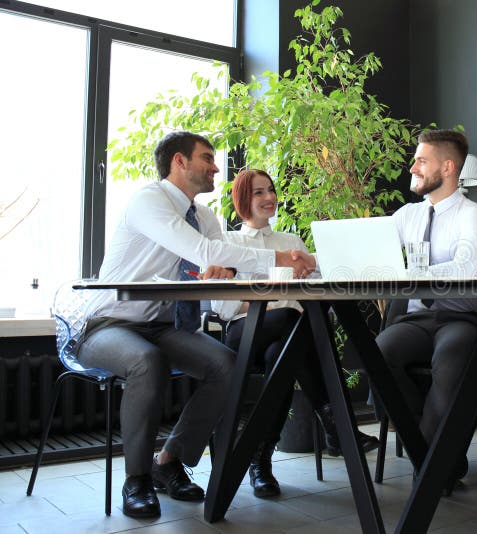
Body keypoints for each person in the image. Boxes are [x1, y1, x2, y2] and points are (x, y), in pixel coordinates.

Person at [76, 132, 316, 518]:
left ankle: (168, 460)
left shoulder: (203, 217)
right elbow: (203, 251)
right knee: (146, 362)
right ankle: (136, 480)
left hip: (162, 325)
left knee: (226, 365)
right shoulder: (147, 201)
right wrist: (282, 257)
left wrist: (217, 272)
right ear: (179, 162)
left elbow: (215, 264)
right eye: (207, 158)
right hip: (109, 323)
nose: (216, 167)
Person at [211, 169, 379, 499]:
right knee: (291, 318)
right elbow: (224, 308)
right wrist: (273, 307)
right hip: (244, 335)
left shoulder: (291, 243)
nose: (269, 197)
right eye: (258, 192)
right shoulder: (229, 243)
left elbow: (326, 277)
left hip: (285, 338)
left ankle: (261, 462)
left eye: (271, 190)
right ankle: (334, 422)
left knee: (282, 357)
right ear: (243, 198)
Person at [377, 130, 477, 484]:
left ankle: (428, 460)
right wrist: (309, 260)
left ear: (448, 167)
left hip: (460, 316)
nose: (413, 167)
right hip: (419, 317)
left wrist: (411, 272)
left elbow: (465, 267)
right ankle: (433, 456)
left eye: (421, 160)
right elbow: (369, 251)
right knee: (377, 354)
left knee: (452, 361)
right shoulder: (407, 215)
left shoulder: (473, 214)